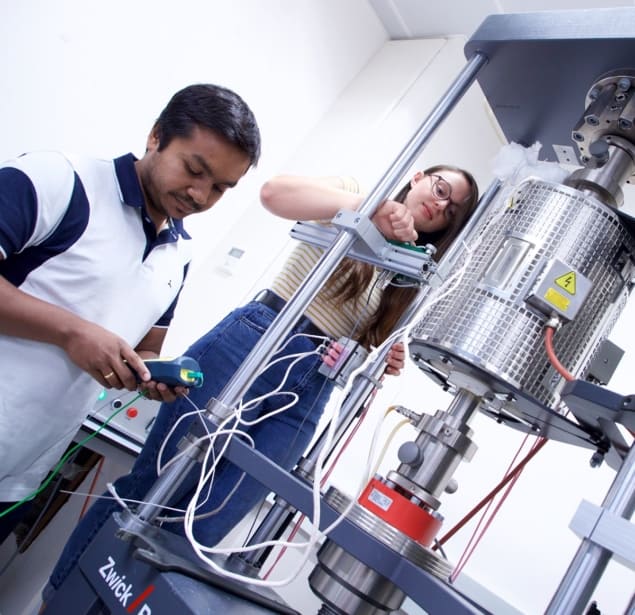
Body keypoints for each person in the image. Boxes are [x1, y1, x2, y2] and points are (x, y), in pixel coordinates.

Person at [46, 165, 479, 595]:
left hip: (313, 386)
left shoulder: (408, 271)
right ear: (419, 176)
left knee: (208, 525)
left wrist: (378, 354)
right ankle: (60, 599)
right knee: (149, 488)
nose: (440, 204)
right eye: (440, 188)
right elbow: (275, 193)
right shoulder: (357, 188)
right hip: (256, 338)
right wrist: (372, 207)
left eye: (451, 209)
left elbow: (365, 341)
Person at [0, 83, 261, 546]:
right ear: (156, 136)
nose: (200, 195)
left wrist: (153, 376)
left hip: (17, 475)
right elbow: (82, 334)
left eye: (221, 188)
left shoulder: (177, 255)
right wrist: (71, 332)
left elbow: (145, 347)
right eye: (194, 170)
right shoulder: (62, 180)